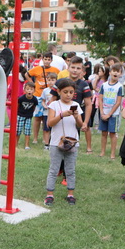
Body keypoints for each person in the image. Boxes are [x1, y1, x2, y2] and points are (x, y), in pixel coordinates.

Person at [44, 78, 83, 207]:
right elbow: (50, 123)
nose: (68, 95)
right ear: (59, 91)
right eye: (65, 92)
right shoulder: (54, 105)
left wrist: (76, 116)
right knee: (54, 169)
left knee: (70, 169)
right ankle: (49, 194)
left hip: (72, 142)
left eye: (71, 92)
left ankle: (70, 194)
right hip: (56, 142)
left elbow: (81, 125)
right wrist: (62, 115)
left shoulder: (76, 105)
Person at [50, 56, 93, 151]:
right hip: (59, 116)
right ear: (68, 68)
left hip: (75, 117)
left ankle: (87, 149)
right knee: (57, 142)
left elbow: (88, 104)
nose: (75, 70)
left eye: (78, 68)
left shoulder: (84, 84)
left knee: (71, 143)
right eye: (73, 67)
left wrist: (85, 122)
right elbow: (52, 99)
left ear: (82, 70)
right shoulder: (60, 82)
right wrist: (52, 115)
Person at [25, 52, 60, 146]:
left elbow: (59, 79)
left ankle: (48, 138)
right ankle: (35, 138)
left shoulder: (55, 70)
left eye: (49, 59)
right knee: (37, 117)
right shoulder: (37, 69)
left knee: (48, 117)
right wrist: (32, 84)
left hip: (50, 95)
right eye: (45, 59)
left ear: (51, 60)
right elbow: (27, 74)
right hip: (38, 95)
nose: (47, 61)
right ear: (42, 59)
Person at [98, 64, 124, 159]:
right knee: (104, 133)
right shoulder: (104, 85)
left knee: (112, 133)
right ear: (110, 72)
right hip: (104, 112)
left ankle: (112, 154)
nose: (116, 73)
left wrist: (109, 114)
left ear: (120, 74)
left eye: (118, 71)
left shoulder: (120, 87)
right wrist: (102, 112)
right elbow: (100, 99)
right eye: (114, 70)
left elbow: (118, 102)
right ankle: (102, 152)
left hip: (114, 114)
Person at [17, 82, 38, 150]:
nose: (29, 91)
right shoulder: (21, 98)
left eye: (31, 89)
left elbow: (34, 107)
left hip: (28, 117)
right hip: (20, 116)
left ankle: (27, 145)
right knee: (18, 130)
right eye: (27, 89)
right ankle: (15, 144)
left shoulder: (34, 99)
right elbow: (17, 106)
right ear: (25, 90)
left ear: (34, 90)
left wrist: (31, 113)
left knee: (27, 131)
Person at [41, 73, 58, 148]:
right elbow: (43, 100)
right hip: (46, 113)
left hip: (55, 113)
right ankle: (46, 144)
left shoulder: (58, 91)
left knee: (54, 128)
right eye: (49, 80)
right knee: (46, 128)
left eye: (53, 80)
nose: (51, 82)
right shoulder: (45, 90)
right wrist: (44, 105)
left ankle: (53, 142)